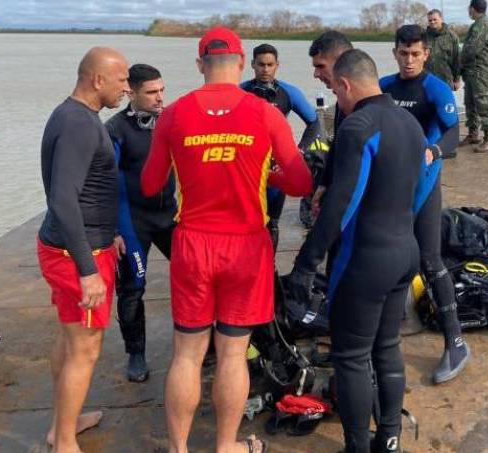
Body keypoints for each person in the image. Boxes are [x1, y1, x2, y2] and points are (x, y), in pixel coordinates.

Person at [140, 27, 312, 453]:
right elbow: (301, 181)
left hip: (193, 244)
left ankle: (178, 449)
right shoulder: (265, 112)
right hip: (245, 246)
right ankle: (225, 445)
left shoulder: (175, 114)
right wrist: (259, 169)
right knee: (233, 355)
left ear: (200, 65)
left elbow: (148, 186)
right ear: (240, 63)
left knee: (186, 354)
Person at [288, 49, 425, 453]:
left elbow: (341, 207)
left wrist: (305, 264)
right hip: (405, 250)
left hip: (365, 260)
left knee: (350, 356)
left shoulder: (359, 125)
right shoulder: (410, 123)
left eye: (334, 90)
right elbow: (419, 190)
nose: (335, 100)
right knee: (386, 347)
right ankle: (389, 439)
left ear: (346, 84)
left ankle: (356, 447)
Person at [37, 47, 129, 452]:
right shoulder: (77, 124)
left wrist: (110, 234)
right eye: (122, 80)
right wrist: (88, 268)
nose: (127, 87)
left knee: (69, 338)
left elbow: (86, 192)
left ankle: (63, 425)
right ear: (97, 80)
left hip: (80, 245)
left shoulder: (75, 115)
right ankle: (64, 444)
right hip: (77, 255)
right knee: (86, 349)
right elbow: (62, 199)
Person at [380, 25, 471, 384]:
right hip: (391, 186)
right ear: (395, 53)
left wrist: (434, 150)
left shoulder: (435, 89)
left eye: (416, 53)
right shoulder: (386, 86)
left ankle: (456, 342)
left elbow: (454, 133)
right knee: (391, 255)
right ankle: (387, 331)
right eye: (403, 53)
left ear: (426, 54)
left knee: (431, 261)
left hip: (424, 185)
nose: (409, 60)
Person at [105, 63, 175, 383]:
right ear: (131, 92)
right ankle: (136, 353)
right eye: (151, 92)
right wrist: (114, 231)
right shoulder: (115, 130)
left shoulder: (173, 120)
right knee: (133, 287)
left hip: (171, 215)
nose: (160, 97)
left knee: (199, 275)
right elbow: (109, 186)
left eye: (162, 90)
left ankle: (212, 339)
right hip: (133, 220)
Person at [241, 43, 320, 249]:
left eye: (270, 64)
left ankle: (270, 269)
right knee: (245, 223)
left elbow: (314, 123)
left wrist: (298, 152)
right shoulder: (241, 91)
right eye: (261, 64)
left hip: (276, 167)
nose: (265, 69)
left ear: (277, 65)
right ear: (252, 65)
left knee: (272, 224)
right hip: (247, 168)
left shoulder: (288, 93)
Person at [308, 30, 353, 218]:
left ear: (340, 62)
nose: (315, 74)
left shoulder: (365, 111)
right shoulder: (341, 105)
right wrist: (324, 183)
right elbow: (336, 148)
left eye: (320, 66)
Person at [460, 0, 488, 153]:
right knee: (470, 102)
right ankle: (473, 134)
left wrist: (459, 61)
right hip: (472, 70)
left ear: (472, 9)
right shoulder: (478, 23)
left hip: (480, 70)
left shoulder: (483, 24)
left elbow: (471, 49)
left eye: (469, 9)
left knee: (482, 102)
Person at [425, 9, 461, 91]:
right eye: (430, 20)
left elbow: (457, 59)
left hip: (445, 79)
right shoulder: (423, 36)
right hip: (427, 79)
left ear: (441, 19)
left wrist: (457, 79)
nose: (432, 22)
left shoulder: (452, 37)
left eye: (435, 19)